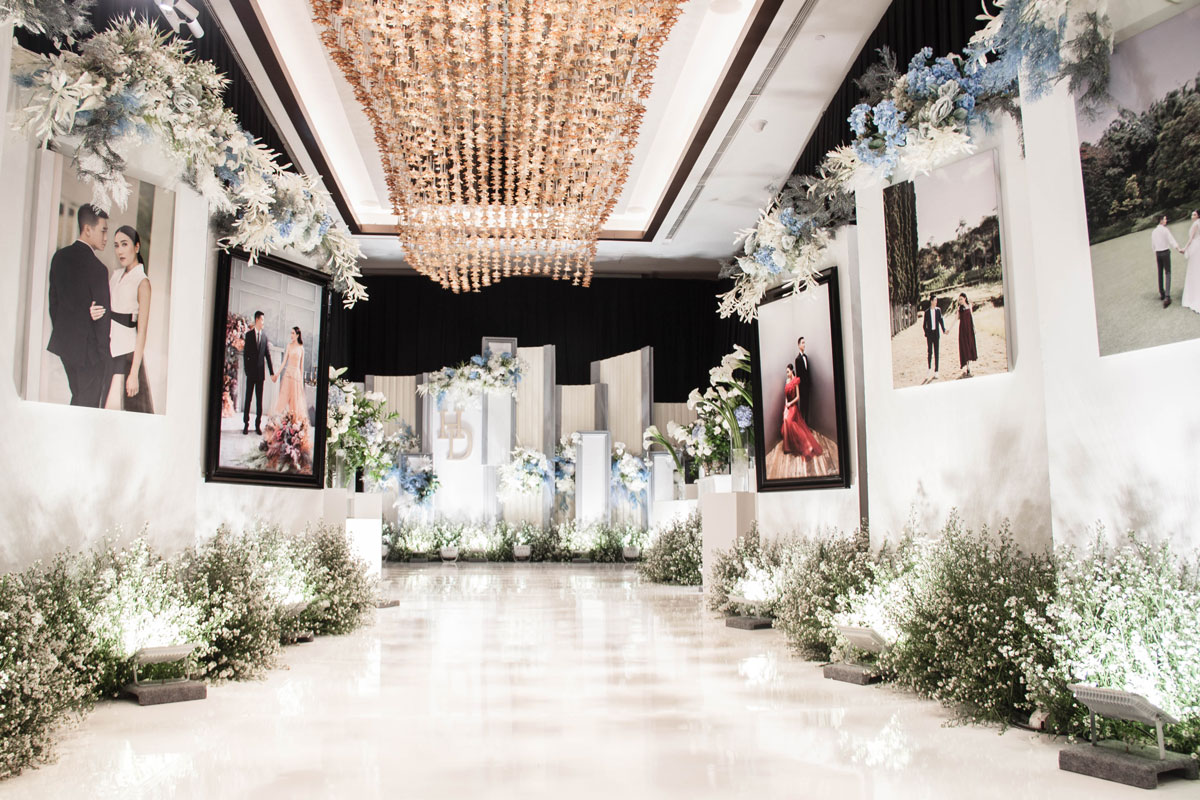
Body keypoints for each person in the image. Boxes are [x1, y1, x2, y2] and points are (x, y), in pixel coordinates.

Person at [47, 204, 111, 407]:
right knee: (87, 406)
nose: (106, 238)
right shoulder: (98, 269)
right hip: (89, 354)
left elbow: (54, 304)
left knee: (77, 397)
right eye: (103, 231)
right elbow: (103, 320)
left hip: (66, 347)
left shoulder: (59, 258)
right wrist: (104, 357)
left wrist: (64, 333)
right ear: (88, 229)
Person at [103, 226, 153, 413]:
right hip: (107, 347)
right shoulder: (115, 275)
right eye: (116, 245)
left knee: (117, 408)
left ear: (137, 247)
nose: (120, 250)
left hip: (126, 352)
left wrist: (133, 373)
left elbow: (142, 331)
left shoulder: (142, 282)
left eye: (124, 244)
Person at [242, 311, 276, 435]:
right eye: (262, 320)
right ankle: (246, 425)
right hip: (251, 374)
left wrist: (272, 373)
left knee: (259, 401)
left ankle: (257, 426)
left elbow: (267, 356)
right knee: (248, 400)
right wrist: (247, 370)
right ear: (257, 320)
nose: (263, 322)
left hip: (260, 375)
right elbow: (245, 355)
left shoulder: (264, 337)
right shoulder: (249, 335)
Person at [781, 364, 823, 458]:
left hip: (793, 406)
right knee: (785, 419)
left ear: (792, 371)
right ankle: (788, 448)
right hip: (787, 406)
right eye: (786, 372)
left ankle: (806, 444)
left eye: (788, 372)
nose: (787, 374)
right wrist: (786, 405)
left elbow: (798, 397)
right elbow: (786, 396)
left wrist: (790, 404)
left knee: (789, 420)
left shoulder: (796, 381)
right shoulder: (787, 381)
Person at [272, 326, 307, 421]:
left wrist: (301, 382)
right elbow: (284, 362)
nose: (291, 335)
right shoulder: (289, 346)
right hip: (288, 374)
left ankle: (293, 421)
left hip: (296, 376)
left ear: (297, 335)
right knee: (284, 398)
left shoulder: (301, 348)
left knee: (295, 400)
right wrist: (277, 374)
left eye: (293, 333)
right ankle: (280, 420)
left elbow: (301, 367)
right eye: (291, 333)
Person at [1151, 214, 1180, 308]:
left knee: (1160, 272)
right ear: (1161, 221)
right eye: (1164, 219)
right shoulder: (1165, 230)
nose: (1166, 220)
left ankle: (1162, 292)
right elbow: (1171, 240)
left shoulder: (1154, 231)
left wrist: (1156, 252)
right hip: (1165, 252)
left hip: (1158, 253)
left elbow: (1153, 244)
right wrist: (1178, 248)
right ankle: (1167, 296)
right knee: (1168, 273)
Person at [1181, 210, 1200, 315]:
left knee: (1193, 270)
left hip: (1196, 248)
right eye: (1192, 214)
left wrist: (1184, 248)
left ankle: (1193, 295)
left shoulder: (1195, 224)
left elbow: (1191, 239)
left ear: (1198, 216)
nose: (1192, 216)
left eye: (1194, 214)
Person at [923, 294, 947, 379]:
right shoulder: (926, 312)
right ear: (931, 301)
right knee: (930, 352)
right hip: (930, 335)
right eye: (935, 300)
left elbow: (941, 321)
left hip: (936, 334)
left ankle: (936, 371)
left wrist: (944, 330)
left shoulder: (938, 310)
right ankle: (929, 368)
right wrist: (926, 333)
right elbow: (924, 325)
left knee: (937, 352)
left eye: (936, 300)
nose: (936, 302)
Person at [955, 292, 978, 378]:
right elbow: (955, 319)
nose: (960, 301)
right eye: (959, 300)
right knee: (965, 348)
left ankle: (969, 367)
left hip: (969, 329)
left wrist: (974, 327)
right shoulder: (959, 308)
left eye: (961, 299)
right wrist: (948, 329)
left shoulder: (969, 306)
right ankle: (968, 369)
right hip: (963, 330)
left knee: (970, 346)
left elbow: (971, 317)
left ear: (965, 298)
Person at [792, 336, 812, 422]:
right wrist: (800, 387)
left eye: (804, 343)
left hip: (807, 386)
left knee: (807, 405)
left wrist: (809, 383)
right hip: (802, 387)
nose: (804, 345)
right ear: (799, 345)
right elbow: (799, 375)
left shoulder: (806, 357)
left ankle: (806, 423)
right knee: (803, 405)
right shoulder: (797, 359)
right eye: (802, 343)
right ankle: (802, 423)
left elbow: (808, 372)